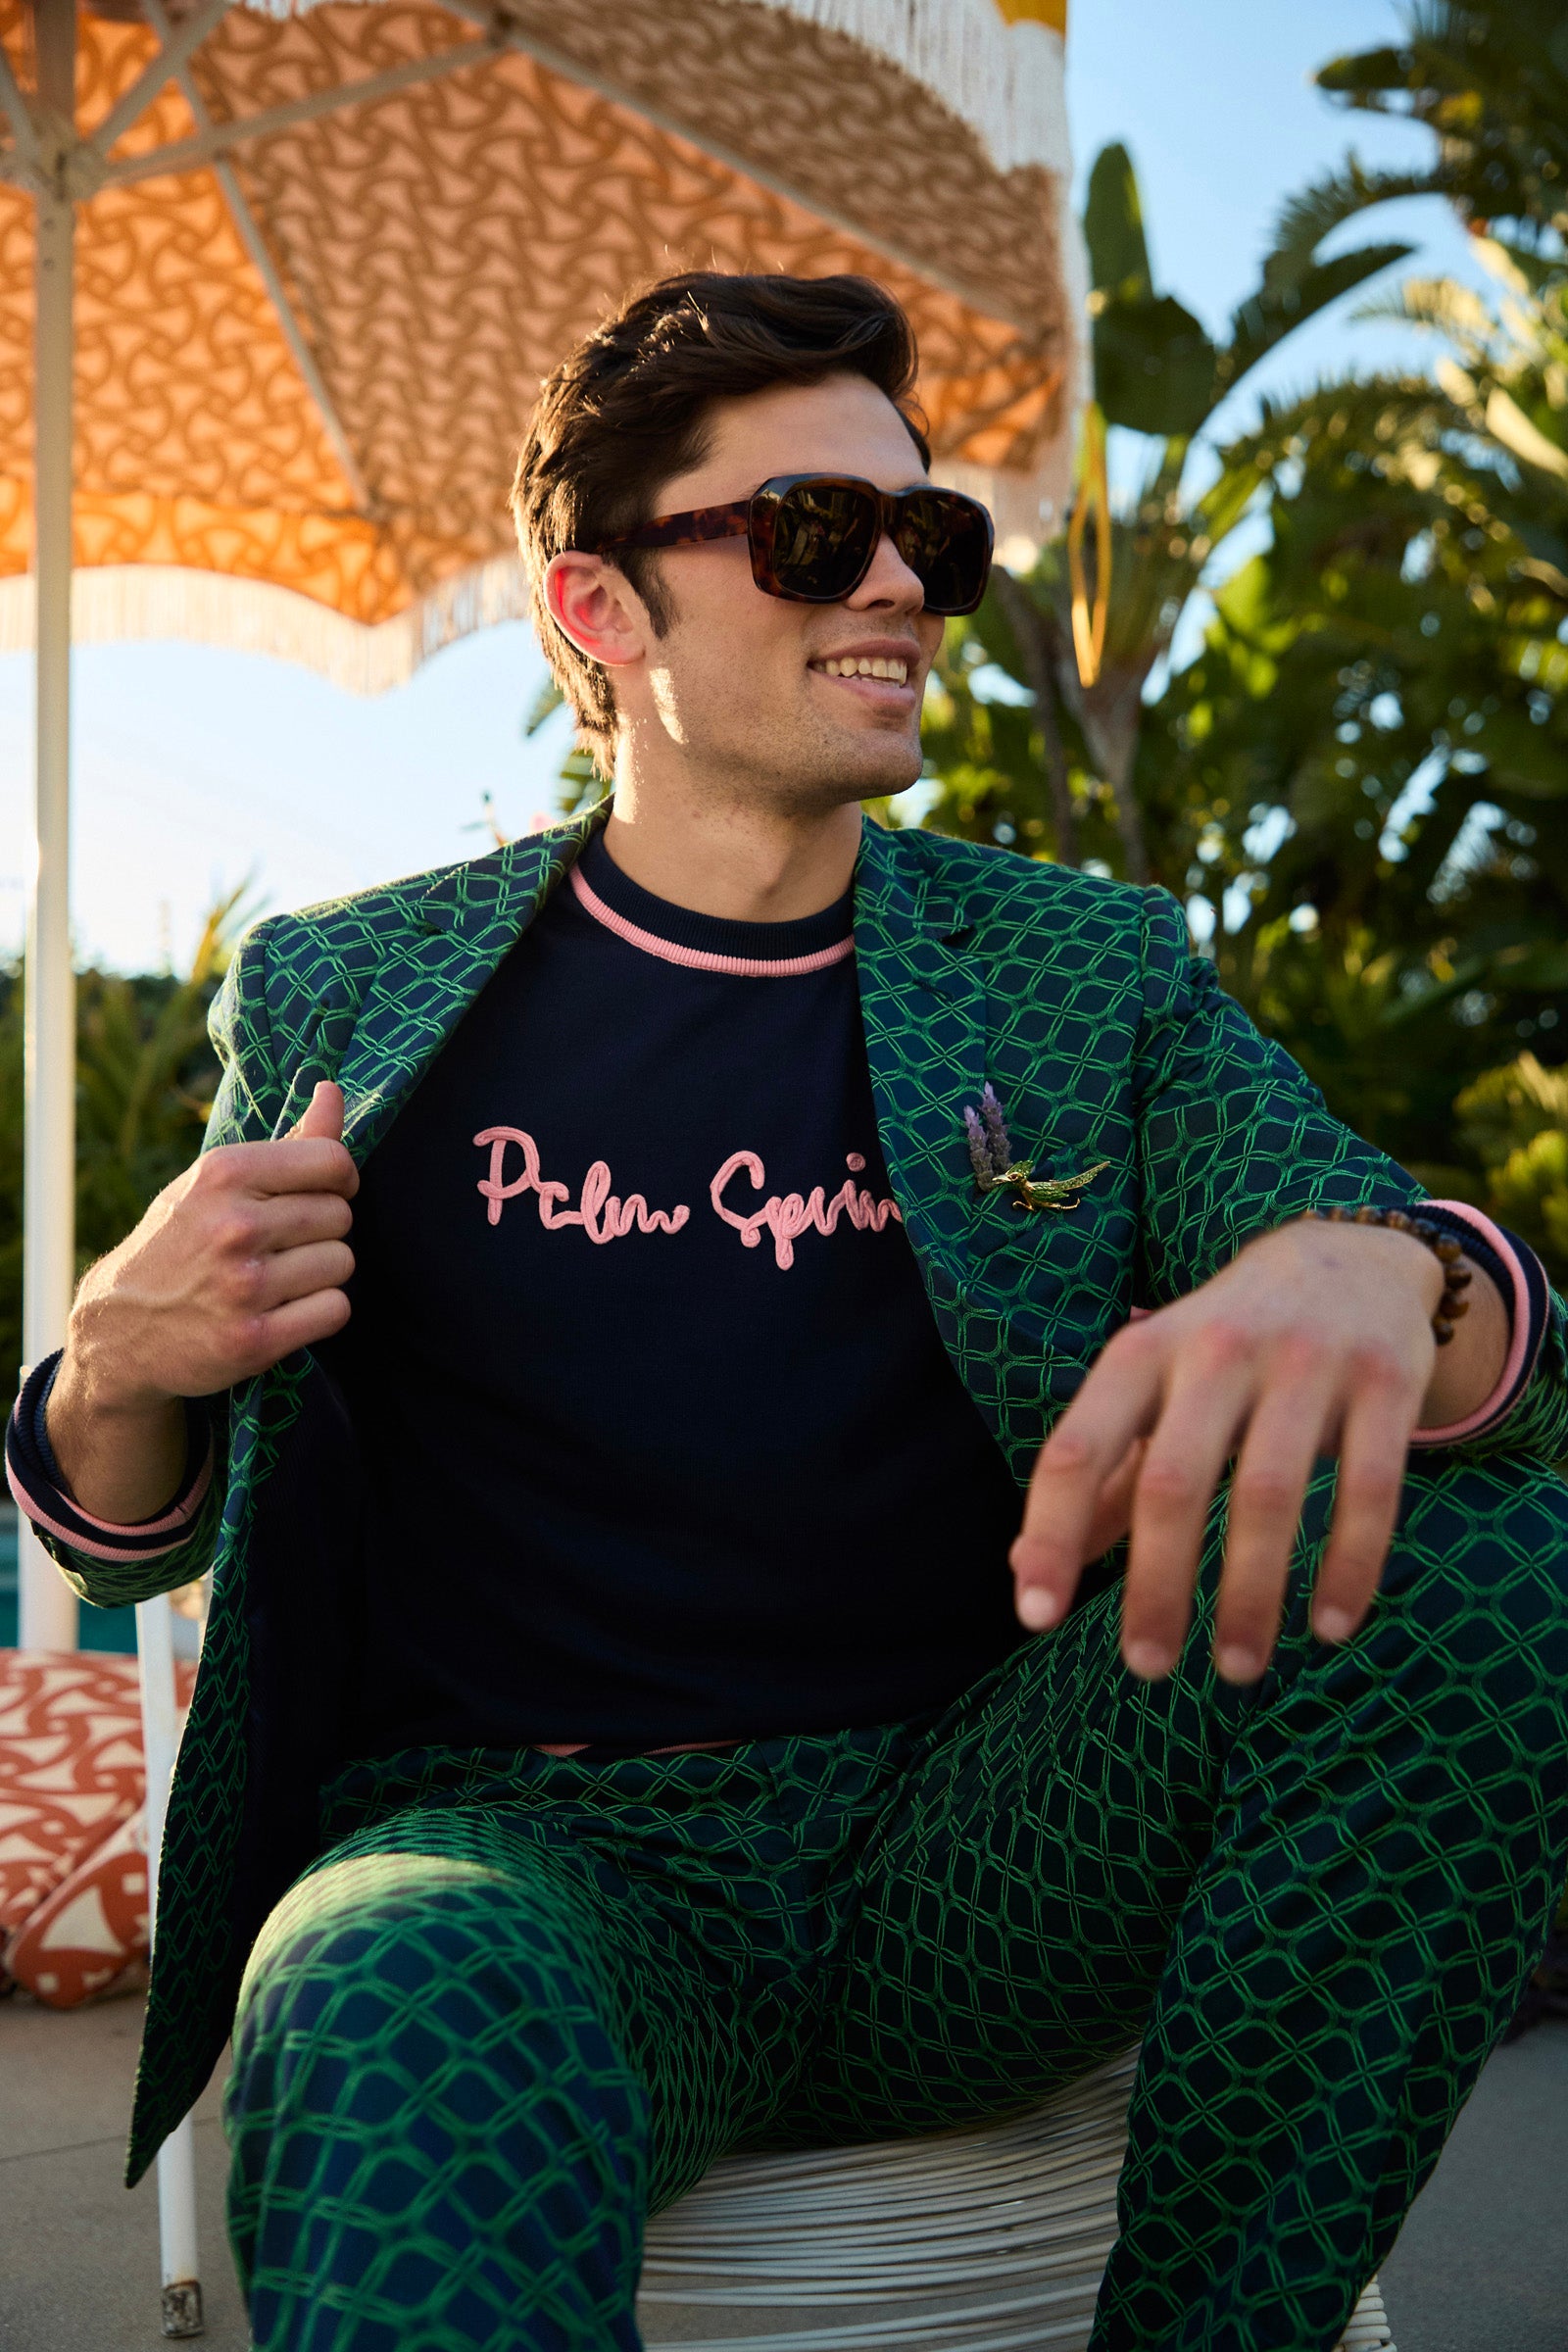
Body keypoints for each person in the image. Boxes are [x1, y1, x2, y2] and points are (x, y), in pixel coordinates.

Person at [10, 271, 1567, 2352]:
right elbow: (148, 1523)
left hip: (974, 1846)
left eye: (931, 537)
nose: (904, 588)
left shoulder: (1074, 971)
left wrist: (1382, 1264)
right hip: (531, 1866)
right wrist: (115, 1360)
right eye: (816, 533)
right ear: (597, 613)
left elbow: (1407, 1296)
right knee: (382, 1987)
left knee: (1477, 1555)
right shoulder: (345, 992)